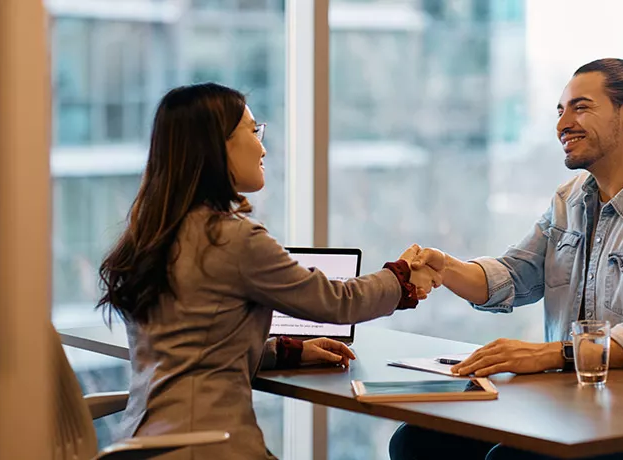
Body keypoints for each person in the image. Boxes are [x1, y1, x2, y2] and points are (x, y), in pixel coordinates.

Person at [390, 58, 623, 460]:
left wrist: (547, 355)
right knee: (417, 440)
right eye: (560, 111)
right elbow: (514, 275)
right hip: (573, 410)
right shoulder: (569, 199)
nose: (563, 123)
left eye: (580, 107)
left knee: (510, 459)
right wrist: (446, 266)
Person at [97, 83, 440, 460]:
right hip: (207, 449)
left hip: (140, 444)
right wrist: (402, 276)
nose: (262, 146)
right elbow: (338, 303)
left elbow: (193, 350)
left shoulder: (152, 235)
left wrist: (288, 352)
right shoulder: (230, 238)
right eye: (252, 130)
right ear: (218, 145)